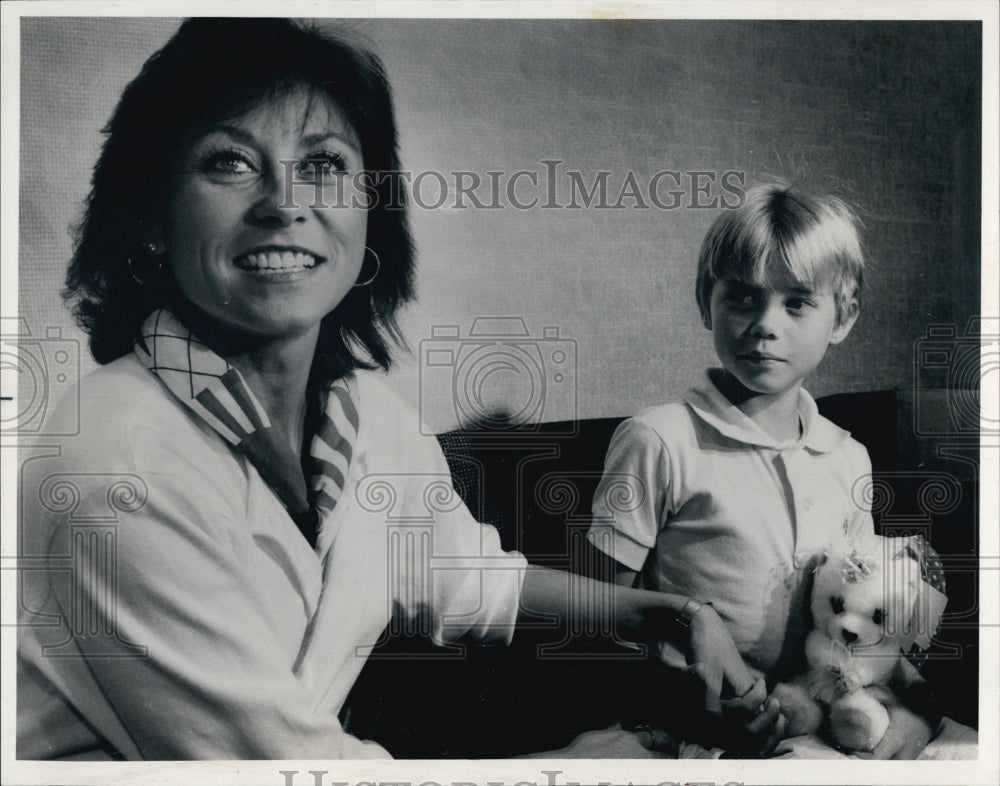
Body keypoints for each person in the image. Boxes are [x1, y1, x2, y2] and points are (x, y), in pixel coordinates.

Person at [16, 18, 762, 760]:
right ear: (149, 214)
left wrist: (668, 614)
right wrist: (582, 765)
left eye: (324, 165)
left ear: (369, 215)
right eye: (230, 162)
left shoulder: (365, 416)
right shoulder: (115, 463)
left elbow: (463, 575)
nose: (284, 203)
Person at [587, 183, 938, 758]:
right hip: (694, 726)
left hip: (821, 718)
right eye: (743, 298)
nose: (765, 324)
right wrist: (687, 705)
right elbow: (599, 620)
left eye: (797, 302)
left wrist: (913, 712)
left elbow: (868, 623)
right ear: (708, 301)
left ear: (842, 318)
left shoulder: (849, 457)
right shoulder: (659, 440)